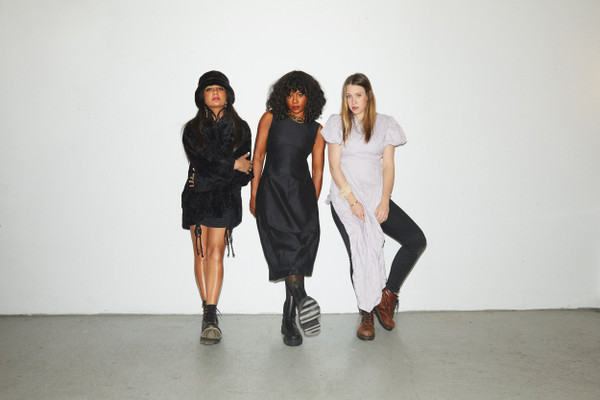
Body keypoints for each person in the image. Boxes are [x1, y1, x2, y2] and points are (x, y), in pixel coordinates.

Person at [321, 73, 426, 340]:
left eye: (358, 95)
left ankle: (386, 298)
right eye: (348, 96)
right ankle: (366, 314)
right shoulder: (337, 123)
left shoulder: (385, 124)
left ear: (368, 96)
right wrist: (352, 201)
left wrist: (384, 201)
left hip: (375, 197)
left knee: (415, 240)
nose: (353, 101)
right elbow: (334, 167)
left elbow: (388, 166)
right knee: (360, 251)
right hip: (346, 199)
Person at [250, 71, 326, 346]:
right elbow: (258, 156)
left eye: (300, 94)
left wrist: (310, 203)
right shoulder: (270, 118)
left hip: (301, 197)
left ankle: (289, 320)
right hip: (272, 193)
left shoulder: (317, 130)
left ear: (309, 97)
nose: (294, 100)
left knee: (298, 253)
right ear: (282, 96)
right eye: (290, 94)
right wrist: (254, 192)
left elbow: (318, 170)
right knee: (285, 250)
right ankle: (300, 302)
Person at [181, 71, 253, 345]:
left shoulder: (241, 128)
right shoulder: (191, 129)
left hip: (225, 200)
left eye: (219, 89)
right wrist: (232, 164)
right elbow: (201, 163)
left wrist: (210, 177)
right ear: (201, 95)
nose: (214, 93)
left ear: (227, 94)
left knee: (215, 253)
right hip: (197, 200)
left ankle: (211, 314)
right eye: (209, 89)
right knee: (201, 253)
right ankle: (208, 315)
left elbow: (245, 174)